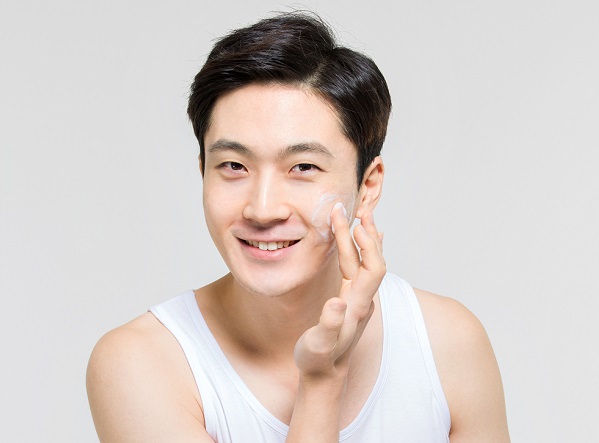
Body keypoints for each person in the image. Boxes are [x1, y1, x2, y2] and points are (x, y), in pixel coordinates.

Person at [87, 12, 510, 442]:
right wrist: (323, 379)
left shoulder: (447, 343)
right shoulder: (141, 363)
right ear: (203, 172)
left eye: (303, 167)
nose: (262, 209)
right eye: (233, 166)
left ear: (367, 187)